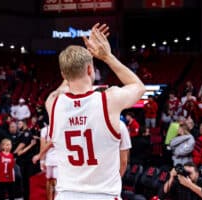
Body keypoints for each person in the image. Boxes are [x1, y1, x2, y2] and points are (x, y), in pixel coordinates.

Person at [45, 23, 145, 200]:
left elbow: (64, 85)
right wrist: (107, 57)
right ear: (90, 69)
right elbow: (138, 87)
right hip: (103, 194)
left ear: (63, 75)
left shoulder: (52, 103)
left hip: (66, 195)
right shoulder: (109, 100)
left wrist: (75, 65)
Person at [32, 125, 56, 200]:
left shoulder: (45, 129)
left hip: (50, 158)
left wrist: (41, 159)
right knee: (54, 181)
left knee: (50, 181)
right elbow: (43, 145)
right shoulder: (59, 126)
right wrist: (41, 160)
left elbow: (43, 145)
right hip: (56, 158)